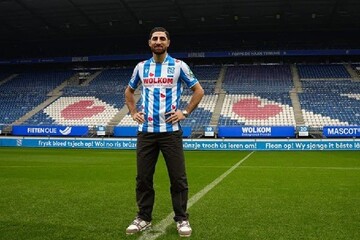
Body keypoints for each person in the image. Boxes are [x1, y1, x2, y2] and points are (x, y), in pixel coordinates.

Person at [124, 27, 204, 237]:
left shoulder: (179, 66)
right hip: (146, 132)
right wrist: (133, 112)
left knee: (178, 178)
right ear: (149, 43)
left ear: (168, 43)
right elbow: (129, 91)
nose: (158, 41)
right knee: (143, 178)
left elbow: (199, 90)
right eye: (154, 39)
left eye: (162, 39)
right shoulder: (141, 67)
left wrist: (184, 112)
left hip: (170, 132)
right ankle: (143, 218)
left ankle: (182, 219)